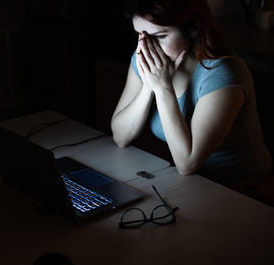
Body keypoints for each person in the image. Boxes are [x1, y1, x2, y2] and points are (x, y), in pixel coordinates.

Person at [111, 0, 273, 202]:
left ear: (192, 30)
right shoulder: (146, 60)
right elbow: (120, 135)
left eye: (160, 36)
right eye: (141, 36)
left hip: (247, 191)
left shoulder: (221, 73)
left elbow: (188, 163)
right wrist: (149, 85)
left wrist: (163, 88)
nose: (147, 47)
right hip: (195, 184)